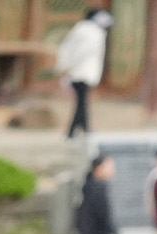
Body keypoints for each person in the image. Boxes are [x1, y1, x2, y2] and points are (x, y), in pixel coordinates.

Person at [53, 8, 108, 139]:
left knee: (82, 101)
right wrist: (68, 65)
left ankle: (83, 128)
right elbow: (80, 51)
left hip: (78, 71)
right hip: (81, 72)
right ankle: (75, 130)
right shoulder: (91, 31)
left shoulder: (83, 29)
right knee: (81, 102)